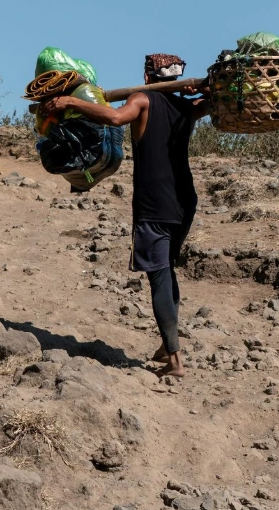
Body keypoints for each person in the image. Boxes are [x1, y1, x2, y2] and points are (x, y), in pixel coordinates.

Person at [44, 53, 208, 378]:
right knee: (167, 269)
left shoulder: (142, 99)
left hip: (155, 203)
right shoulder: (187, 107)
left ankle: (175, 360)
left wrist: (68, 104)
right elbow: (212, 103)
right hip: (184, 201)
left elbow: (116, 119)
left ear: (148, 77)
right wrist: (204, 91)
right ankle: (167, 343)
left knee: (159, 275)